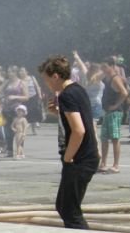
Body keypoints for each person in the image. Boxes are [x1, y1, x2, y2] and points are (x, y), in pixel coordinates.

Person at [38, 54, 100, 229]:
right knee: (64, 206)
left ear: (55, 76)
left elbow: (79, 130)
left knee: (69, 210)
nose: (46, 84)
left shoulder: (67, 95)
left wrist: (68, 157)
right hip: (86, 157)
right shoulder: (78, 89)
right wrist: (58, 112)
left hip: (79, 159)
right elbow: (82, 120)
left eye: (46, 79)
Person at [99, 56, 128, 174]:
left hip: (115, 113)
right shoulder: (106, 78)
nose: (103, 69)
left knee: (115, 138)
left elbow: (124, 93)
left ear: (112, 66)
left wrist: (116, 105)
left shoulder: (115, 79)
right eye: (102, 67)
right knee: (104, 138)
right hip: (107, 112)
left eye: (105, 67)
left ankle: (116, 165)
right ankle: (103, 163)